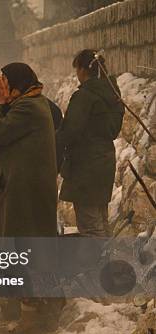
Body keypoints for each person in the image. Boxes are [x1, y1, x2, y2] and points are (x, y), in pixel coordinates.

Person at [0, 63, 60, 326]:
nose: (2, 90)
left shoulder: (28, 107)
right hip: (22, 193)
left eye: (5, 84)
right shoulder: (32, 104)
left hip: (23, 196)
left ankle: (22, 316)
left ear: (17, 85)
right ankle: (33, 307)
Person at [57, 49, 125, 237]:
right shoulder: (113, 96)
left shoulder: (85, 96)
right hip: (104, 162)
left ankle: (97, 264)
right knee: (101, 219)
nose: (77, 75)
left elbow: (69, 131)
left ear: (83, 70)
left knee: (89, 226)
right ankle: (107, 263)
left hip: (85, 167)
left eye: (77, 69)